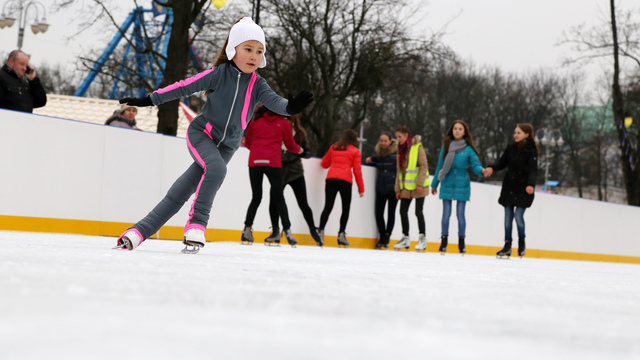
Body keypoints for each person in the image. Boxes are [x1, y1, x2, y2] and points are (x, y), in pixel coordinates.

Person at [113, 17, 313, 253]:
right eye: (248, 49)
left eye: (259, 51)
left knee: (181, 192)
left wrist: (290, 108)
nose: (253, 56)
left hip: (227, 147)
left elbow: (276, 102)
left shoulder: (258, 84)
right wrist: (149, 99)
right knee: (217, 170)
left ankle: (137, 232)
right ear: (233, 50)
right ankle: (197, 224)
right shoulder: (218, 74)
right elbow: (183, 86)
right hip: (202, 135)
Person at [241, 104, 303, 247]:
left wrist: (258, 151)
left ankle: (247, 230)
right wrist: (300, 150)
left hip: (255, 162)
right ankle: (287, 231)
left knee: (256, 197)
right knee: (279, 197)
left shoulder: (255, 121)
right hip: (273, 163)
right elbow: (290, 145)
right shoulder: (284, 123)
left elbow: (248, 143)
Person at [483, 123, 539, 258]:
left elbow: (533, 170)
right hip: (509, 187)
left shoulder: (531, 151)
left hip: (523, 188)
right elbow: (502, 163)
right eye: (515, 132)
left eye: (518, 132)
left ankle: (521, 241)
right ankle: (507, 245)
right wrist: (491, 167)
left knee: (518, 216)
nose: (515, 135)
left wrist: (531, 184)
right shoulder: (511, 148)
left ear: (527, 135)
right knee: (508, 218)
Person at [267, 113, 323, 246]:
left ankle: (312, 229)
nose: (285, 120)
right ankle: (275, 230)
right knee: (273, 201)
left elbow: (306, 150)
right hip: (278, 169)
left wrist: (305, 152)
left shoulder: (299, 132)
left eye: (288, 117)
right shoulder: (276, 127)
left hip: (295, 171)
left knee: (303, 202)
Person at [430, 120, 485, 255]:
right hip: (447, 182)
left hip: (462, 184)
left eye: (460, 129)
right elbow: (440, 166)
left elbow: (475, 165)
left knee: (460, 215)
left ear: (465, 132)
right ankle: (444, 241)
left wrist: (482, 171)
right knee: (446, 214)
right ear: (452, 130)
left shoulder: (468, 149)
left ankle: (461, 241)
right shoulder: (446, 146)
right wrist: (435, 184)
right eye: (455, 128)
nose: (457, 131)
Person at [318, 129, 365, 247]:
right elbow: (357, 171)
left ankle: (320, 231)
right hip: (345, 181)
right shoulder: (355, 151)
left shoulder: (334, 147)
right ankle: (341, 235)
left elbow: (324, 164)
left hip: (331, 179)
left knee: (328, 206)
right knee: (345, 208)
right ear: (354, 139)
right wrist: (361, 188)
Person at [394, 125, 430, 251]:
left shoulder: (417, 147)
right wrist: (397, 189)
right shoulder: (400, 149)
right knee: (403, 211)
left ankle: (422, 239)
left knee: (418, 212)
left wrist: (419, 184)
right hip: (406, 187)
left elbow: (424, 166)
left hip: (419, 186)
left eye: (400, 136)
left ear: (406, 136)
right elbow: (399, 170)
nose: (398, 139)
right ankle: (405, 238)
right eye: (396, 137)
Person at [365, 132, 398, 249]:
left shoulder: (396, 154)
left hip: (393, 188)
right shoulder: (377, 154)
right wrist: (369, 160)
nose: (383, 143)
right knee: (378, 213)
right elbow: (372, 161)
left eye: (385, 141)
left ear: (390, 141)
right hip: (380, 188)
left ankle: (387, 236)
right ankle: (382, 235)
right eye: (381, 140)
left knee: (391, 213)